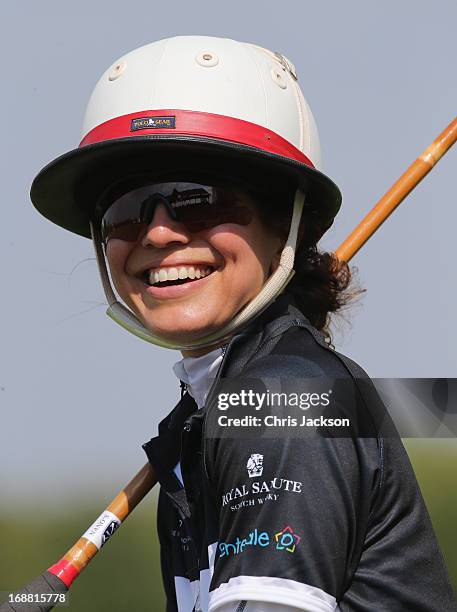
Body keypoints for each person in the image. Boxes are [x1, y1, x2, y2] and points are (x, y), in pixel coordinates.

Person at [30, 36, 456, 612]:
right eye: (127, 212)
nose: (158, 235)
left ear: (287, 225)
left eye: (197, 199)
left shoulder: (281, 397)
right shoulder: (204, 422)